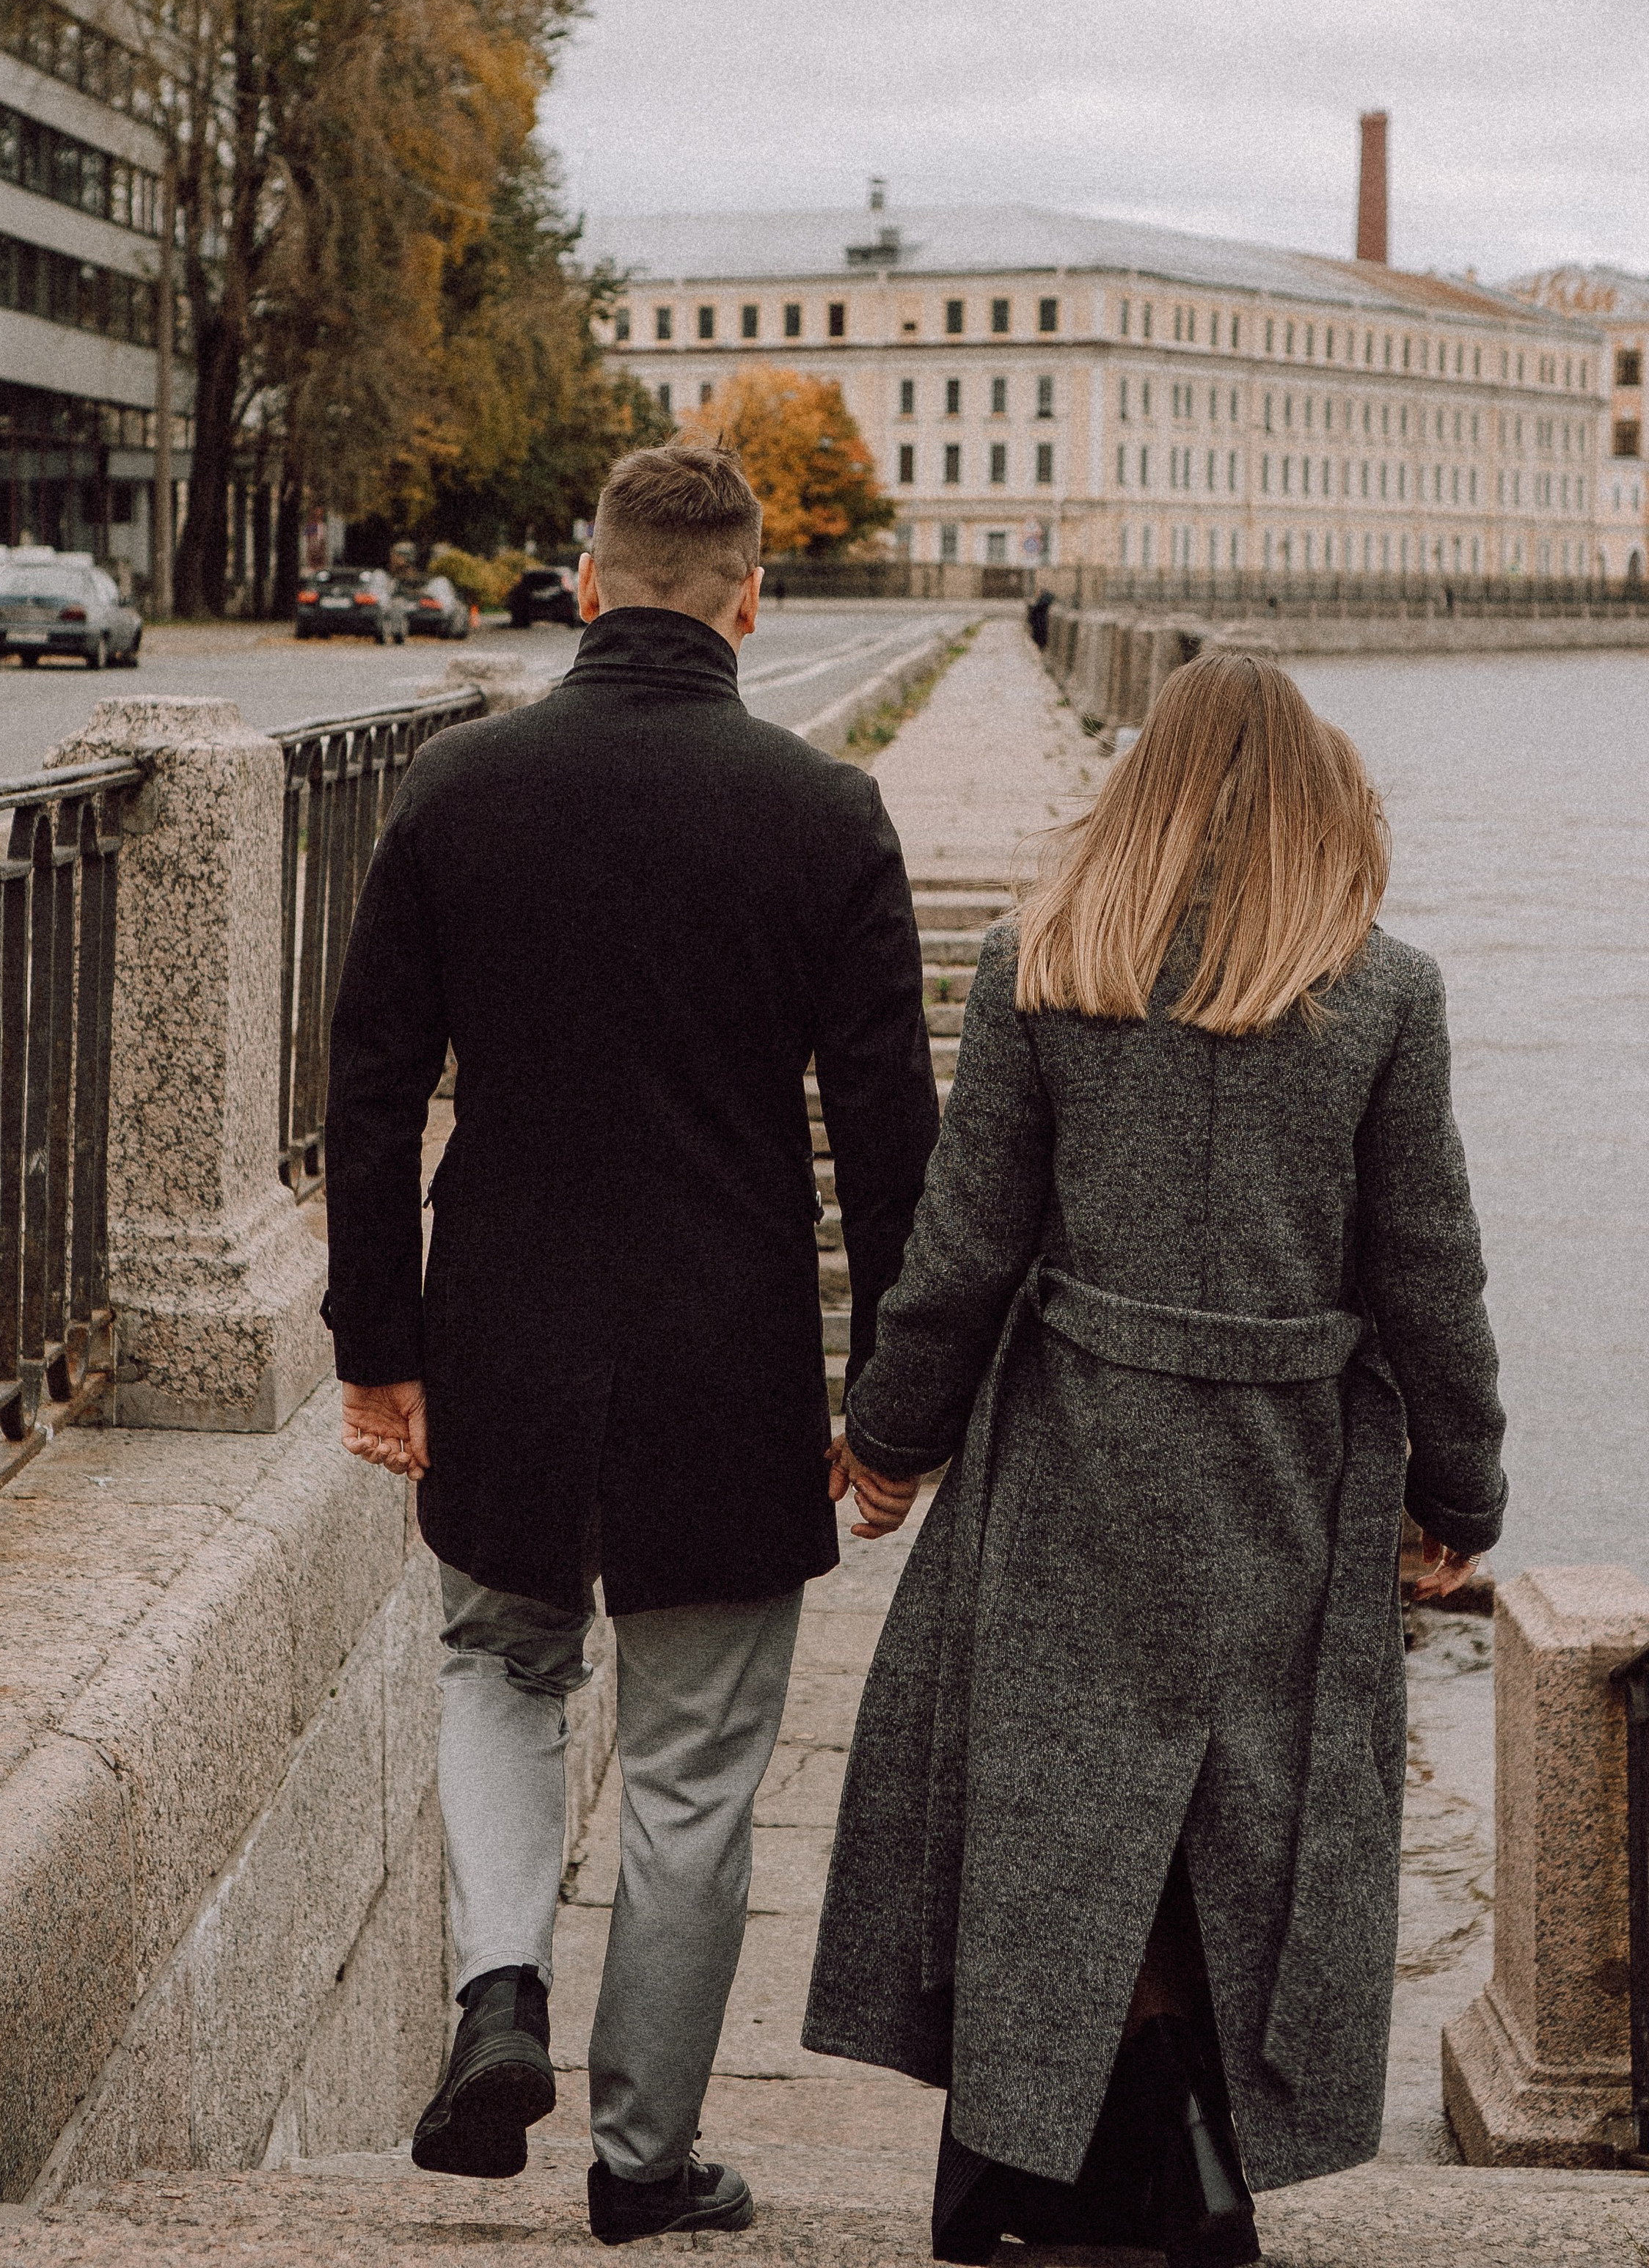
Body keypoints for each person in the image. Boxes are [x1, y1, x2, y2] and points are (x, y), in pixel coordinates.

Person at [802, 651, 1507, 2268]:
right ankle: (1192, 2164)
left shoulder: (1039, 964)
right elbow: (1426, 1275)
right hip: (1282, 1470)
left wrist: (888, 1440)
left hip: (1072, 1457)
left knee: (1058, 1822)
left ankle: (1037, 2182)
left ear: (1136, 789)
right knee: (1238, 1828)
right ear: (1323, 800)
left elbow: (961, 1250)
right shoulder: (1383, 995)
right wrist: (1454, 1494)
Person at [323, 442, 938, 2245]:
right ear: (751, 600)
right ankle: (642, 2159)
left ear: (584, 584)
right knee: (689, 1773)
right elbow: (889, 1138)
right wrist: (891, 1404)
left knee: (496, 1660)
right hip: (724, 1354)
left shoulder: (457, 787)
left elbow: (366, 1099)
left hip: (498, 1324)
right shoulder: (826, 816)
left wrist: (378, 1344)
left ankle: (497, 1981)